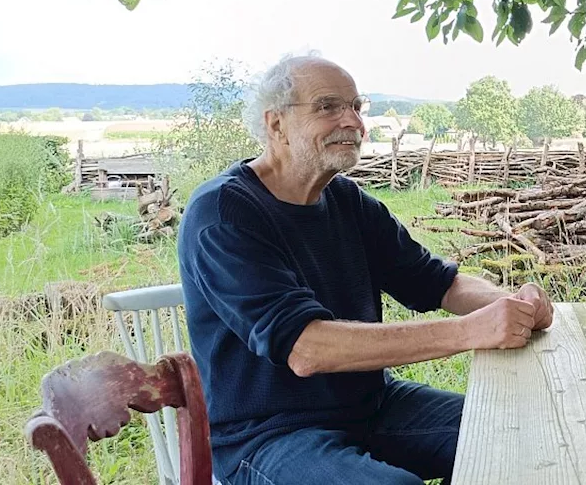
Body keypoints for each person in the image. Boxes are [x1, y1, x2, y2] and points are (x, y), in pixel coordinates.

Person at [177, 54, 554, 485]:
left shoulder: (347, 202)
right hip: (268, 437)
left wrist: (513, 301)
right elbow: (306, 348)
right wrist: (471, 331)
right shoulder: (225, 213)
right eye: (328, 107)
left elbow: (436, 281)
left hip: (372, 406)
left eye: (357, 106)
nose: (353, 121)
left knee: (511, 435)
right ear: (275, 124)